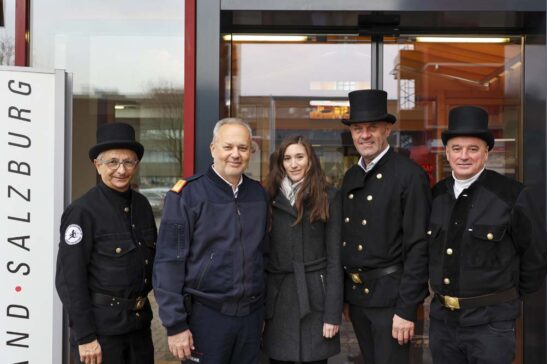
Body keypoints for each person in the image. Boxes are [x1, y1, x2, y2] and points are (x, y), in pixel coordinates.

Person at [428, 106, 547, 364]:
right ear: (447, 153)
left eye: (473, 149)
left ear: (486, 153)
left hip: (491, 327)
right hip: (443, 324)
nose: (464, 156)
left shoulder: (512, 195)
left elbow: (536, 258)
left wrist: (504, 302)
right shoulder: (436, 195)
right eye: (457, 148)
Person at [153, 117, 269, 364]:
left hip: (250, 318)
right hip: (205, 318)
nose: (235, 154)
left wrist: (264, 314)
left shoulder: (258, 195)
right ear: (213, 148)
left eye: (243, 148)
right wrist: (175, 326)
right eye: (228, 147)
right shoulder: (187, 195)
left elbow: (264, 255)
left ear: (250, 152)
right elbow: (168, 263)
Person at [340, 89, 431, 364]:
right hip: (358, 299)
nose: (364, 135)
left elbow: (419, 246)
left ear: (387, 129)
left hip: (392, 301)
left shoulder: (409, 175)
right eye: (358, 128)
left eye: (372, 128)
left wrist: (406, 308)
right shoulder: (351, 175)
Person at [55, 122, 157, 364]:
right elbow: (70, 280)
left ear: (136, 165)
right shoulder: (81, 212)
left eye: (128, 162)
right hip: (101, 335)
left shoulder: (142, 206)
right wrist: (85, 337)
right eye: (112, 162)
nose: (121, 170)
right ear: (97, 165)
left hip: (139, 329)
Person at [263, 135, 343, 364]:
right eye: (287, 158)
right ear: (280, 163)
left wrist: (332, 314)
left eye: (299, 157)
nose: (293, 164)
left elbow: (335, 259)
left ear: (310, 160)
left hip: (315, 297)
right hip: (278, 298)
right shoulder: (268, 197)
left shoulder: (329, 196)